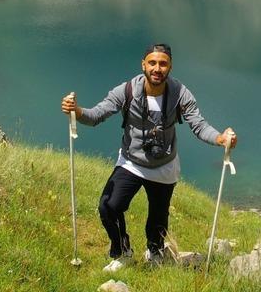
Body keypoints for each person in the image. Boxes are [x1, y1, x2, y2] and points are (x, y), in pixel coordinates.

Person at [61, 43, 236, 272]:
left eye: (163, 64)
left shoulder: (180, 94)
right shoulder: (126, 91)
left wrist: (220, 139)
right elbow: (96, 115)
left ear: (170, 67)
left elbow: (198, 125)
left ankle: (155, 252)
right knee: (108, 207)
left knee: (158, 219)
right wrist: (77, 111)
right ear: (143, 64)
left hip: (164, 166)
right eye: (152, 63)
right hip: (131, 162)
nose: (157, 68)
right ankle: (122, 252)